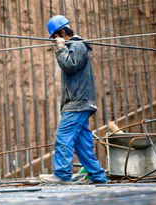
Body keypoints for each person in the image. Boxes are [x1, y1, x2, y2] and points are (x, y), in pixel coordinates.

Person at [44, 15, 107, 184]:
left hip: (78, 103)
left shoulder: (78, 45)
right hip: (79, 103)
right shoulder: (74, 46)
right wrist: (63, 47)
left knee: (63, 136)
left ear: (63, 32)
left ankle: (62, 175)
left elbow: (69, 65)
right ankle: (98, 176)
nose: (54, 41)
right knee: (82, 144)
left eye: (55, 37)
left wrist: (61, 49)